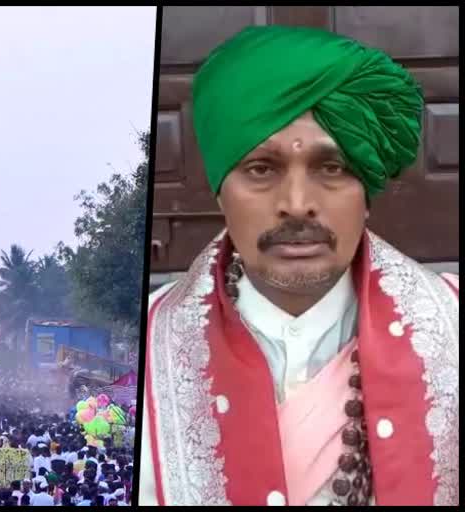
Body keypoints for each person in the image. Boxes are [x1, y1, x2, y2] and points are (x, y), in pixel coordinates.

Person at [140, 25, 459, 506]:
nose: (296, 204)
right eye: (261, 169)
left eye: (331, 168)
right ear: (219, 191)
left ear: (367, 194)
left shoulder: (452, 326)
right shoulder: (146, 346)